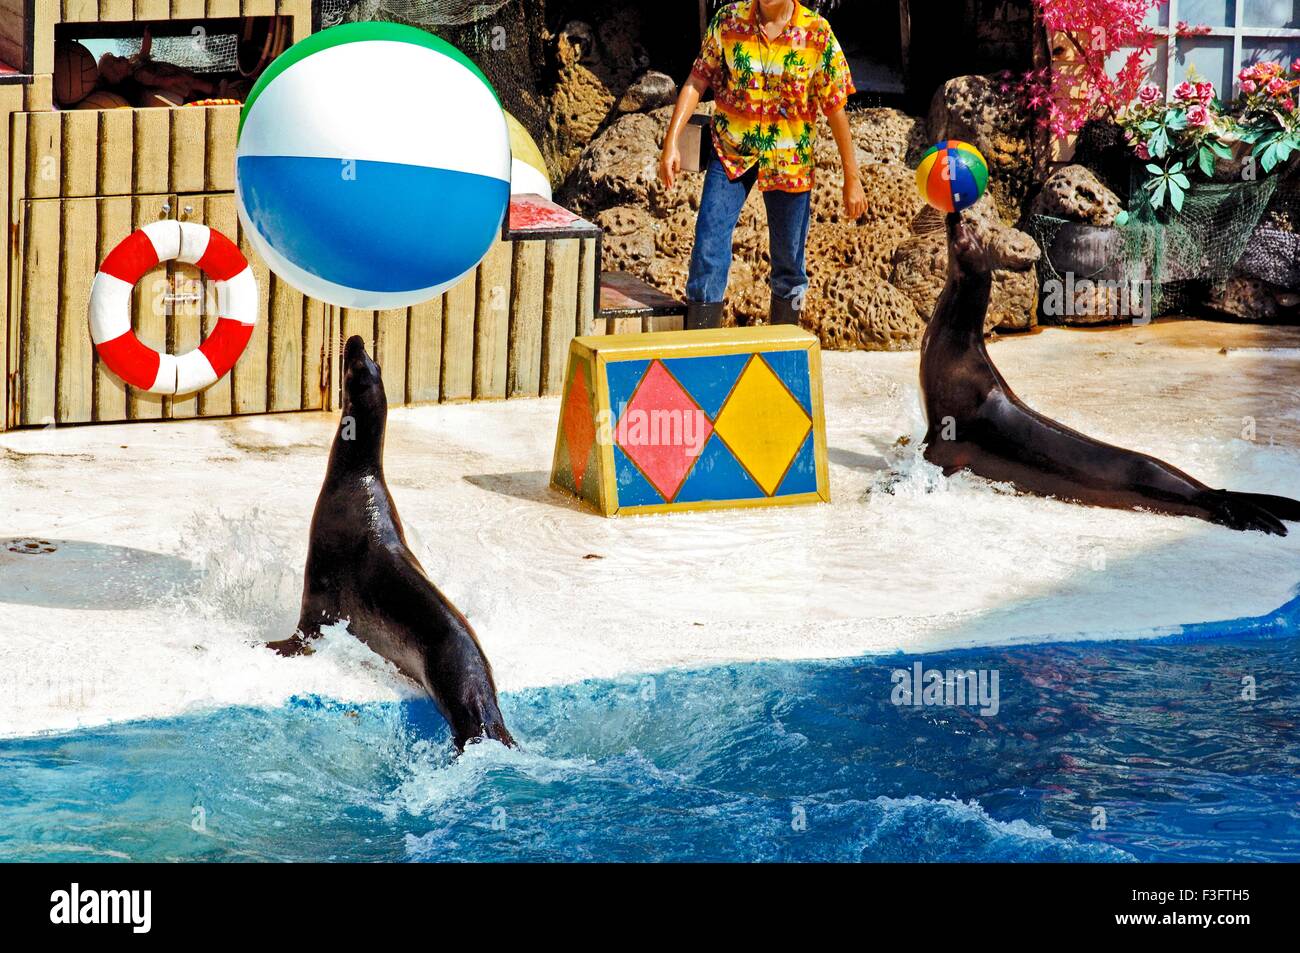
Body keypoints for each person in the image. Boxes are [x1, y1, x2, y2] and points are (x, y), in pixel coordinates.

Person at [659, 0, 865, 330]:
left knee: (788, 262)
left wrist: (851, 178)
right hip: (730, 151)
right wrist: (671, 143)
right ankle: (700, 343)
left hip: (789, 161)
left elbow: (835, 109)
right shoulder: (729, 21)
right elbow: (697, 81)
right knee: (708, 243)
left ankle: (783, 349)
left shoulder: (817, 33)